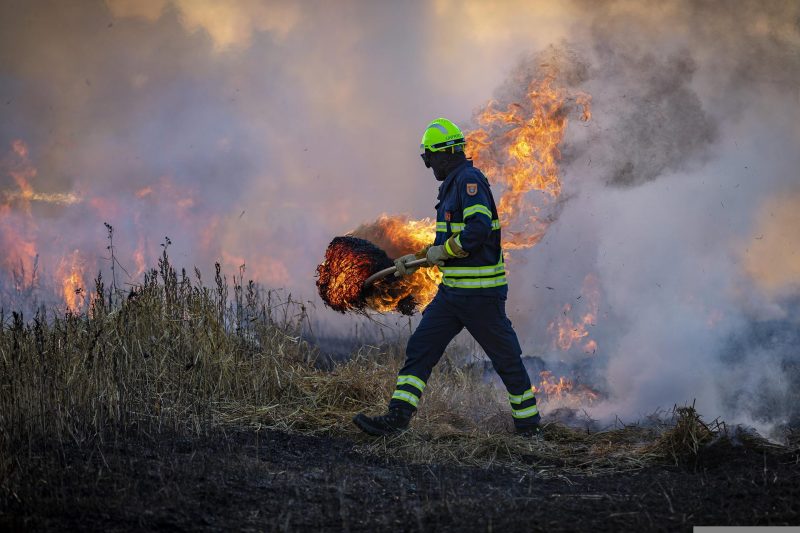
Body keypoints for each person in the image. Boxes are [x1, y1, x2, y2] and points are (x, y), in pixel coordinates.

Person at [353, 118, 541, 437]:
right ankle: (396, 420)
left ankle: (529, 428)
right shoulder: (452, 185)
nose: (429, 167)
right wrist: (418, 259)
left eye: (430, 158)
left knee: (506, 360)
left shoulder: (469, 182)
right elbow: (446, 245)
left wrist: (445, 250)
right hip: (452, 296)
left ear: (446, 154)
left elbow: (477, 231)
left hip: (481, 297)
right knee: (421, 349)